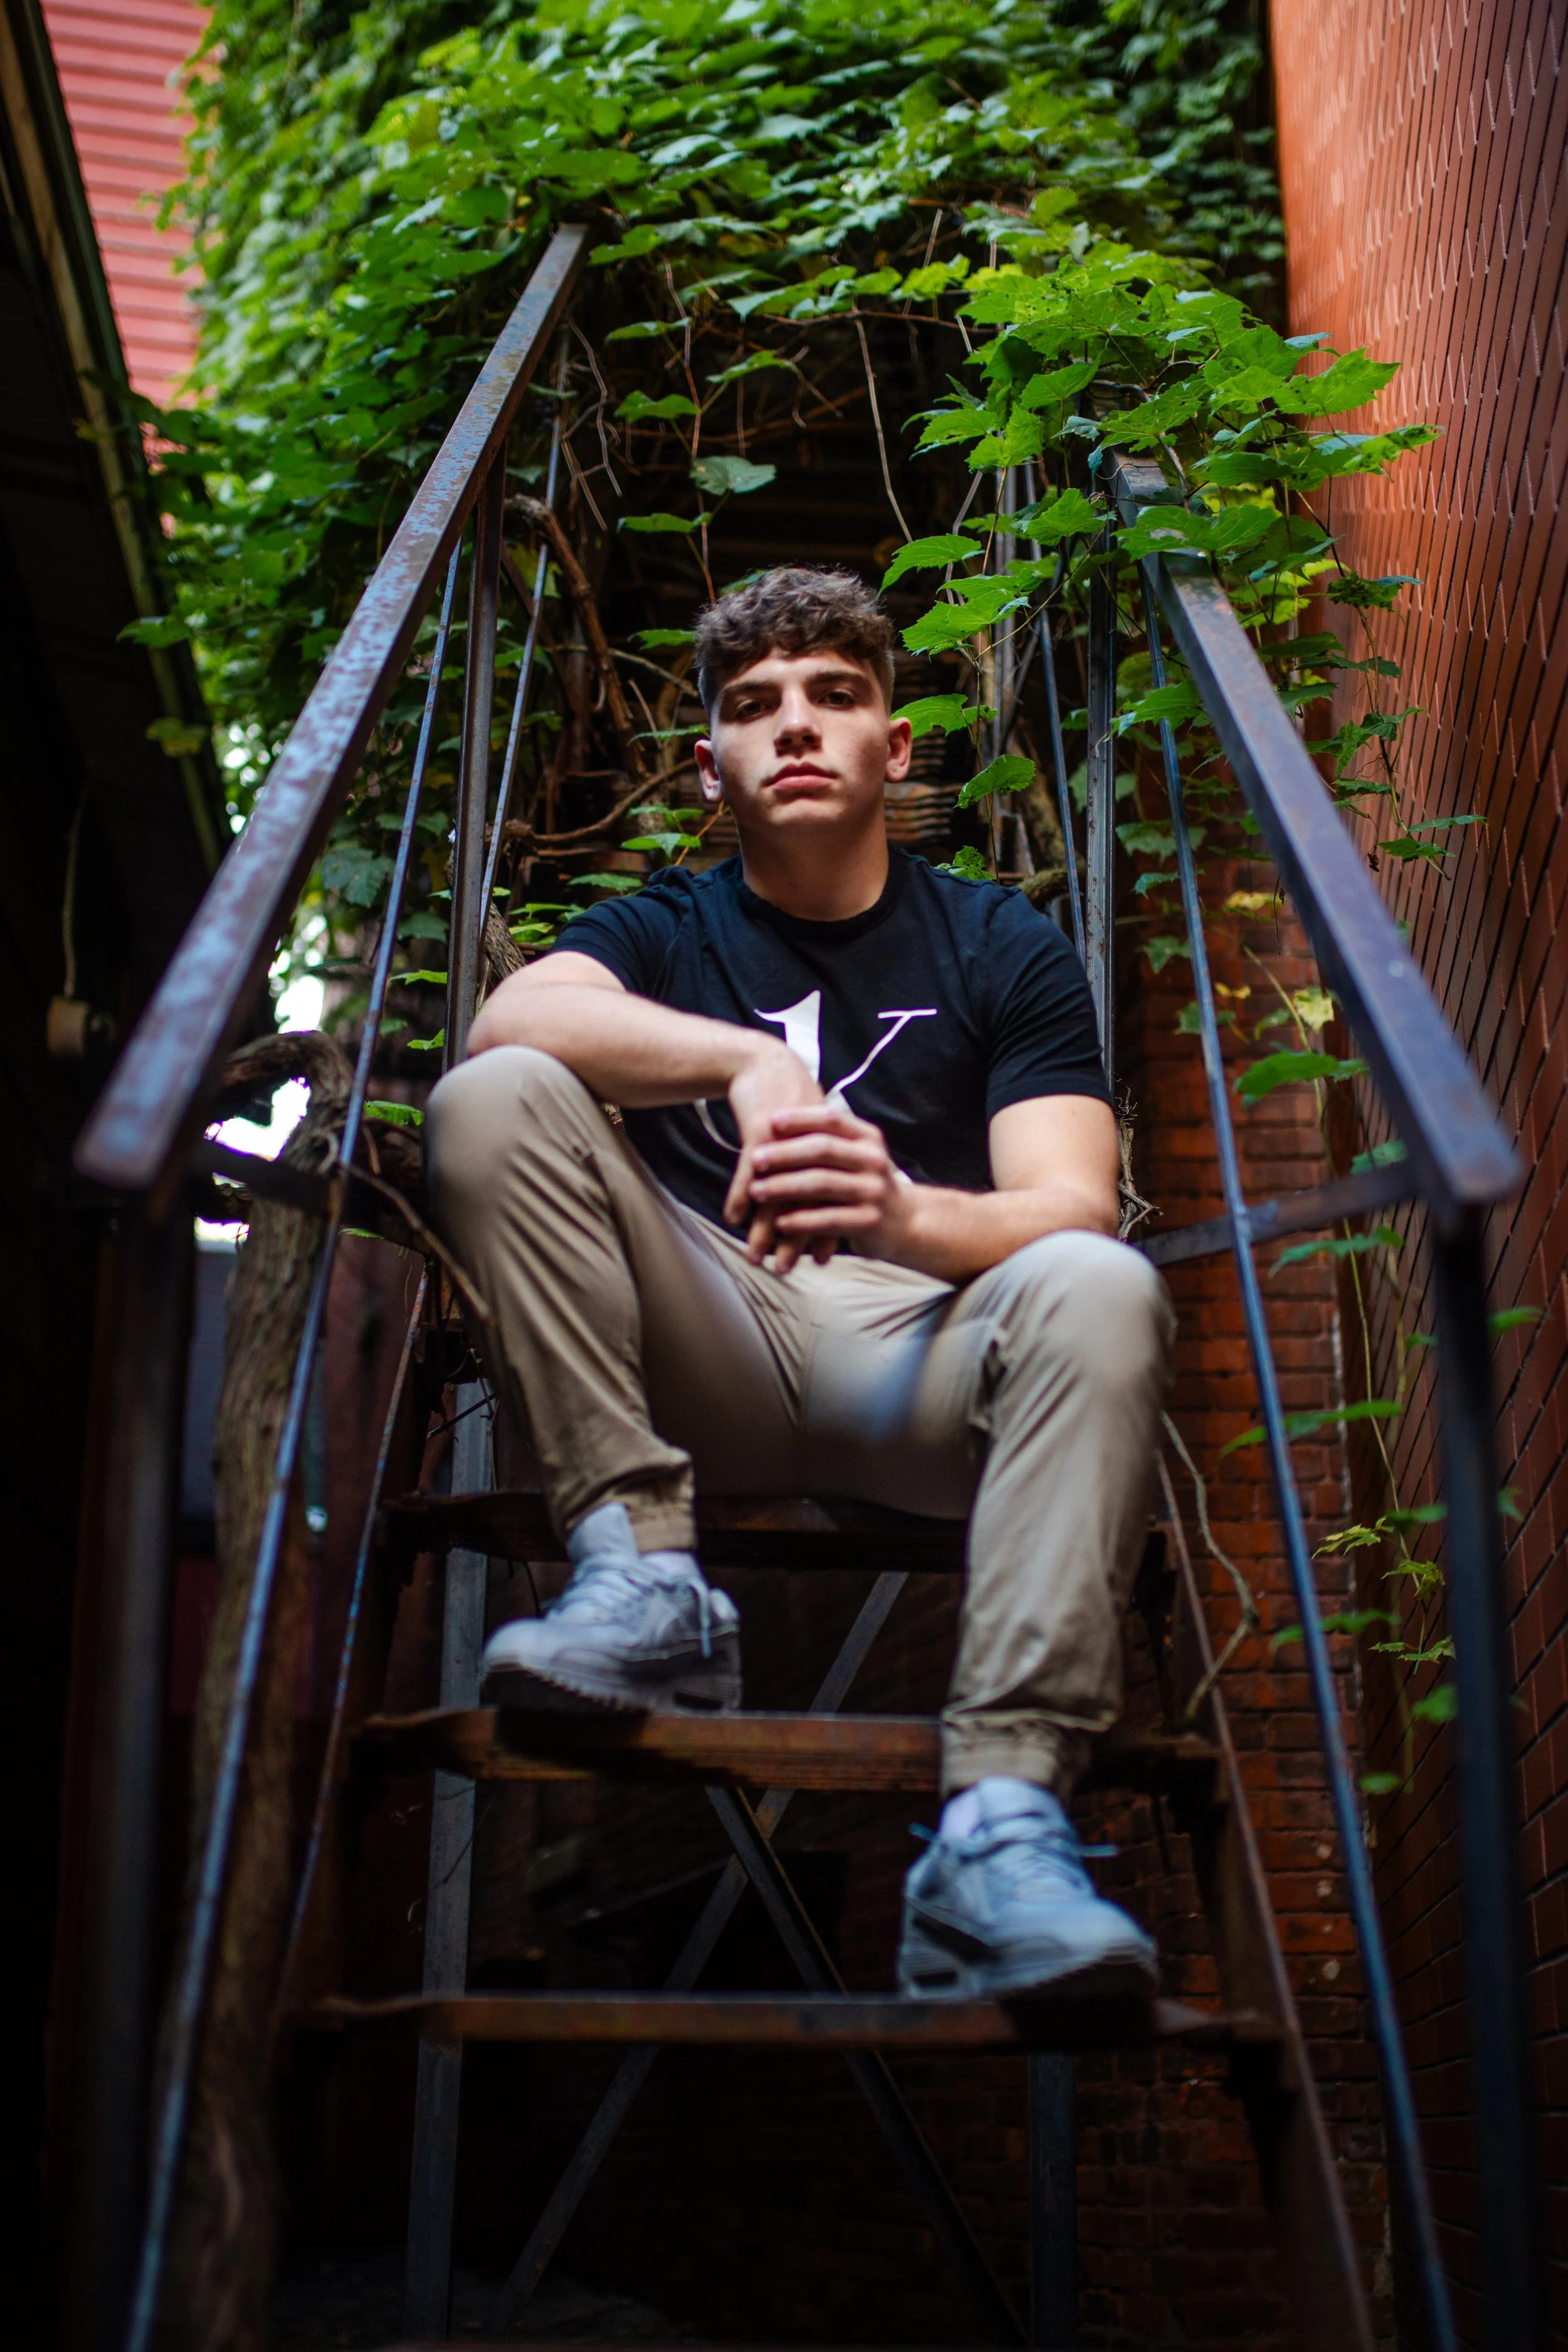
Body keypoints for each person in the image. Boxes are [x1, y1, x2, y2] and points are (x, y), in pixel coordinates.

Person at [426, 567, 1173, 2000]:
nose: (795, 728)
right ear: (712, 765)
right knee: (495, 1093)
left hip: (919, 1361)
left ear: (895, 749)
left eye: (835, 696)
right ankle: (641, 1580)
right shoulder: (664, 929)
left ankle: (996, 1828)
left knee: (1097, 1281)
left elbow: (1072, 1205)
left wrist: (896, 1213)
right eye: (753, 705)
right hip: (707, 1345)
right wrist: (744, 1059)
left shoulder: (999, 944)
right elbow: (511, 1017)